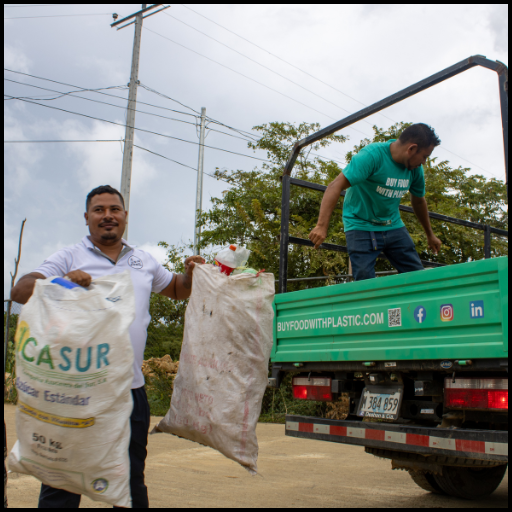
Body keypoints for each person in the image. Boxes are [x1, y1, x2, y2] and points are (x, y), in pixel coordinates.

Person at [11, 184, 204, 508]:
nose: (107, 215)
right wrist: (63, 282)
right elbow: (21, 290)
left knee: (130, 483)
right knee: (62, 484)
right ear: (87, 217)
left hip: (129, 392)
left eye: (114, 209)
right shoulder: (69, 257)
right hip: (76, 393)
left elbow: (176, 289)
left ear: (125, 216)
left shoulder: (143, 260)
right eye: (99, 210)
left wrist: (189, 274)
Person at [308, 123, 443, 281]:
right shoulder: (372, 156)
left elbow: (418, 201)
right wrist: (321, 226)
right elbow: (334, 186)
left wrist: (430, 235)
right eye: (425, 156)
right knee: (365, 281)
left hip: (392, 225)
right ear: (411, 149)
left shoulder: (415, 170)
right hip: (360, 224)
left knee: (417, 276)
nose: (424, 162)